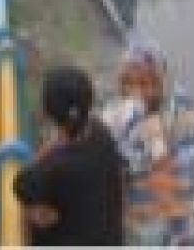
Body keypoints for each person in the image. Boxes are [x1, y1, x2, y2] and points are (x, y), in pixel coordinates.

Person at [102, 38, 194, 245]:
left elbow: (189, 158)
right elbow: (107, 149)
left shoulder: (185, 109)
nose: (138, 91)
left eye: (146, 82)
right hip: (136, 214)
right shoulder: (117, 109)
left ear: (161, 78)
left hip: (176, 211)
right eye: (129, 82)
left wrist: (152, 154)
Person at [14, 65, 126, 245]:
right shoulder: (102, 132)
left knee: (31, 214)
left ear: (47, 114)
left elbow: (21, 184)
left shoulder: (52, 170)